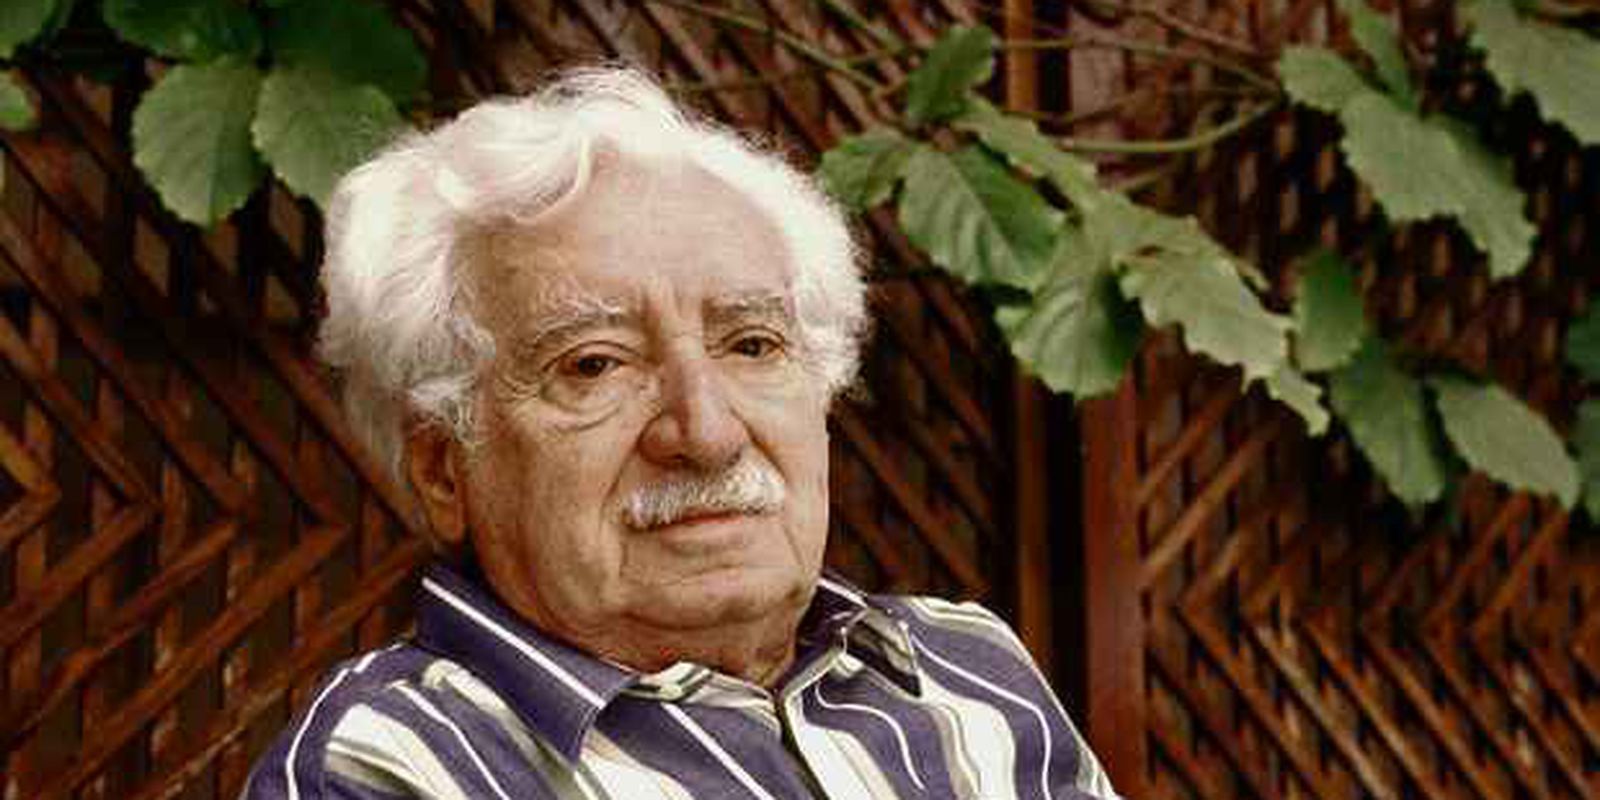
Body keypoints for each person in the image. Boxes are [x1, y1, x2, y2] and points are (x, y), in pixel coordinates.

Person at [242, 66, 1118, 800]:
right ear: (443, 469)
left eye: (752, 344)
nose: (707, 432)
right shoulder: (388, 765)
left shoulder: (965, 666)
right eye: (595, 364)